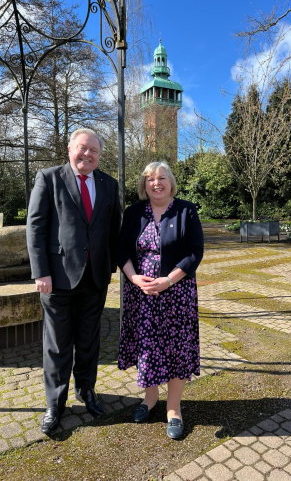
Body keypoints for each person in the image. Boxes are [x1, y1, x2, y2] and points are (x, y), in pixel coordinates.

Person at [26, 128, 120, 434]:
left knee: (90, 340)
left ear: (99, 156)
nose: (88, 155)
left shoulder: (109, 184)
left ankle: (87, 390)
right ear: (70, 149)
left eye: (94, 151)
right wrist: (41, 272)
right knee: (57, 345)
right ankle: (55, 403)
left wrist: (118, 268)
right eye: (83, 148)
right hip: (57, 279)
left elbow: (114, 230)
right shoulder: (49, 177)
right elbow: (36, 227)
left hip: (95, 278)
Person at [117, 161, 204, 439]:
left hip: (176, 293)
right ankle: (150, 399)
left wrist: (168, 280)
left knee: (176, 347)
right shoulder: (133, 213)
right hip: (141, 296)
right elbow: (120, 250)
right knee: (148, 347)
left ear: (171, 182)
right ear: (144, 185)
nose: (156, 183)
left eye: (162, 178)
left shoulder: (186, 210)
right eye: (150, 179)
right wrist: (133, 278)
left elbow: (194, 252)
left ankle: (174, 408)